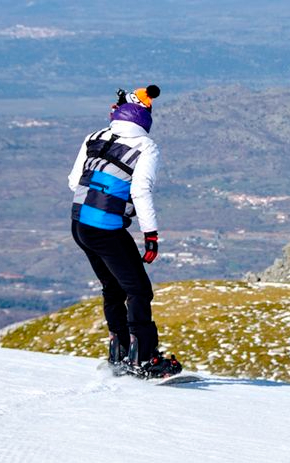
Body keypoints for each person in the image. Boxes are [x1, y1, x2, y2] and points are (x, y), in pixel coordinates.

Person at [68, 84, 180, 378]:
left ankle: (119, 349)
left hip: (79, 223)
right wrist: (151, 235)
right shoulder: (146, 147)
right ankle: (143, 358)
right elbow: (141, 191)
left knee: (113, 286)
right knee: (139, 290)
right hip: (105, 228)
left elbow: (73, 181)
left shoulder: (95, 137)